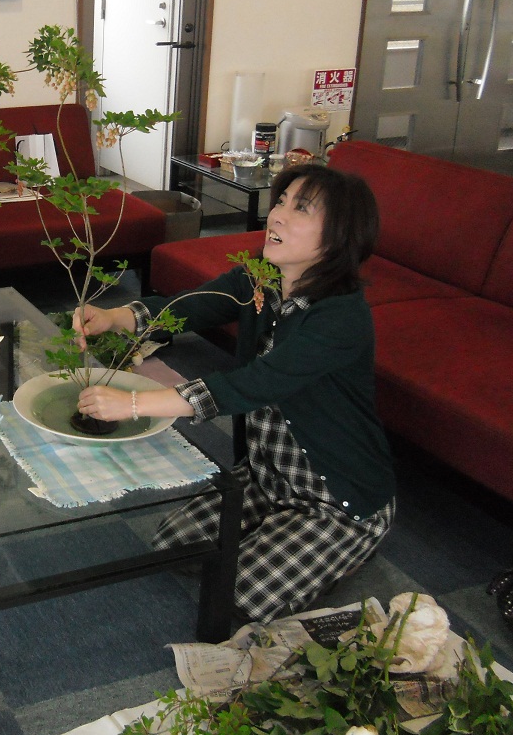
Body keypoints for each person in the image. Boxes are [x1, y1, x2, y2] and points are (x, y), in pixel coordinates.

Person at [74, 165, 394, 623]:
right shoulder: (261, 280)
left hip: (335, 497)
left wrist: (135, 404)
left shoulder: (341, 318)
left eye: (300, 209)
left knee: (235, 601)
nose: (277, 215)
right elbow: (193, 304)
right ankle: (282, 534)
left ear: (340, 235)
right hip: (266, 476)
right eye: (281, 202)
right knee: (171, 547)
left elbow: (253, 384)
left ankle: (354, 540)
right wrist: (116, 316)